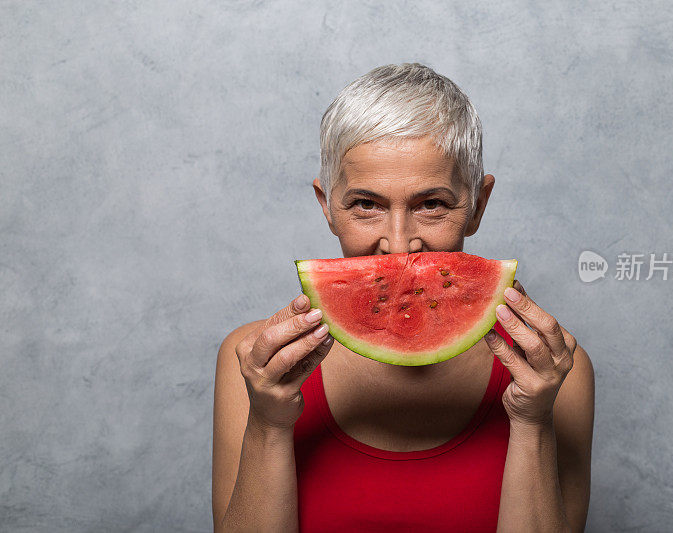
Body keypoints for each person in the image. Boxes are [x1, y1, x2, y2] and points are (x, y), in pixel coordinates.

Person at [212, 63, 595, 532]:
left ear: (478, 205)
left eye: (432, 204)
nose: (399, 243)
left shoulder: (553, 371)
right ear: (326, 206)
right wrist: (269, 425)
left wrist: (533, 421)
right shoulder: (253, 364)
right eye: (365, 206)